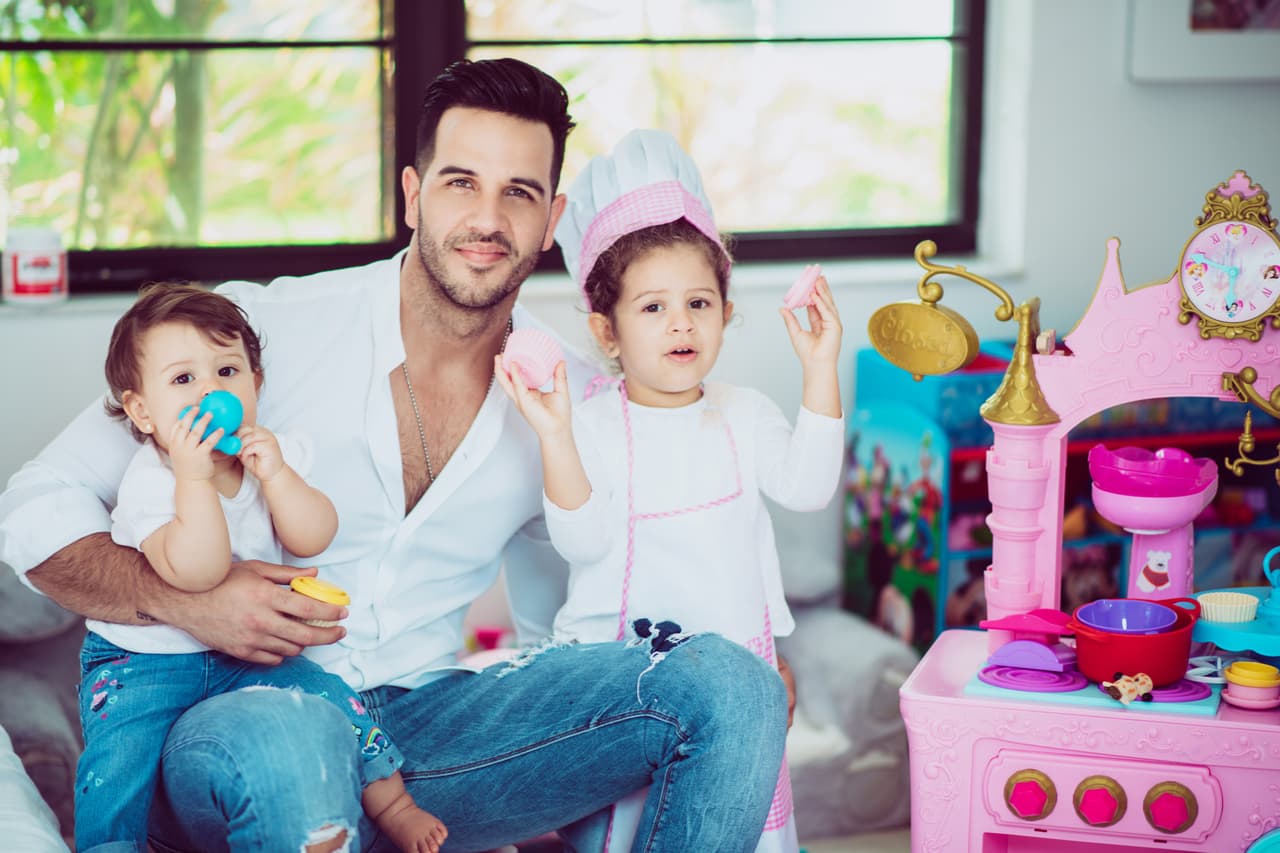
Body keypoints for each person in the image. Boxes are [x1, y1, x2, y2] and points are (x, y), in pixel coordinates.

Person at [0, 57, 789, 852]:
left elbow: (588, 604)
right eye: (460, 182)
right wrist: (189, 601)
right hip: (239, 709)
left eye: (518, 192)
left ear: (550, 220)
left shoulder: (567, 398)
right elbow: (34, 503)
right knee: (293, 742)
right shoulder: (245, 337)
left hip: (430, 735)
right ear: (413, 194)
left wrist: (552, 788)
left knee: (731, 686)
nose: (487, 218)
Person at [494, 129, 845, 853]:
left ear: (723, 311)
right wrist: (555, 433)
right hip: (629, 689)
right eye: (652, 307)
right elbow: (583, 540)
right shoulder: (588, 423)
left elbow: (809, 486)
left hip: (735, 689)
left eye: (699, 301)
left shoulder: (744, 414)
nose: (680, 321)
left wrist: (820, 367)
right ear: (607, 330)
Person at [75, 284, 446, 852]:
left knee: (329, 697)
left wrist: (276, 477)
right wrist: (193, 478)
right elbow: (197, 573)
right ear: (142, 411)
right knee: (115, 765)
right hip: (142, 663)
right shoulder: (153, 480)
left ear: (256, 384)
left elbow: (314, 535)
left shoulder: (276, 454)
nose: (211, 392)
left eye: (228, 371)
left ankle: (393, 802)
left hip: (242, 656)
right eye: (182, 380)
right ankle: (109, 844)